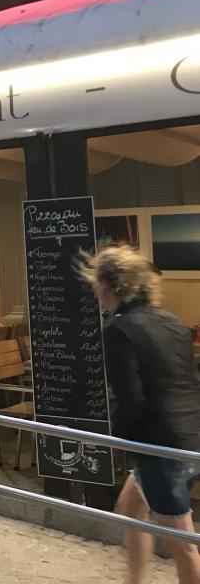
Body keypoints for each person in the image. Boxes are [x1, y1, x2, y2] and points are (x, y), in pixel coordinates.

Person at [79, 246, 200, 584]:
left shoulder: (118, 330)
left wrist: (116, 438)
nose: (94, 290)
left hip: (161, 445)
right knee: (131, 509)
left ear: (108, 284)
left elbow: (131, 399)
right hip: (191, 433)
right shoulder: (171, 321)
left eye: (96, 283)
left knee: (183, 544)